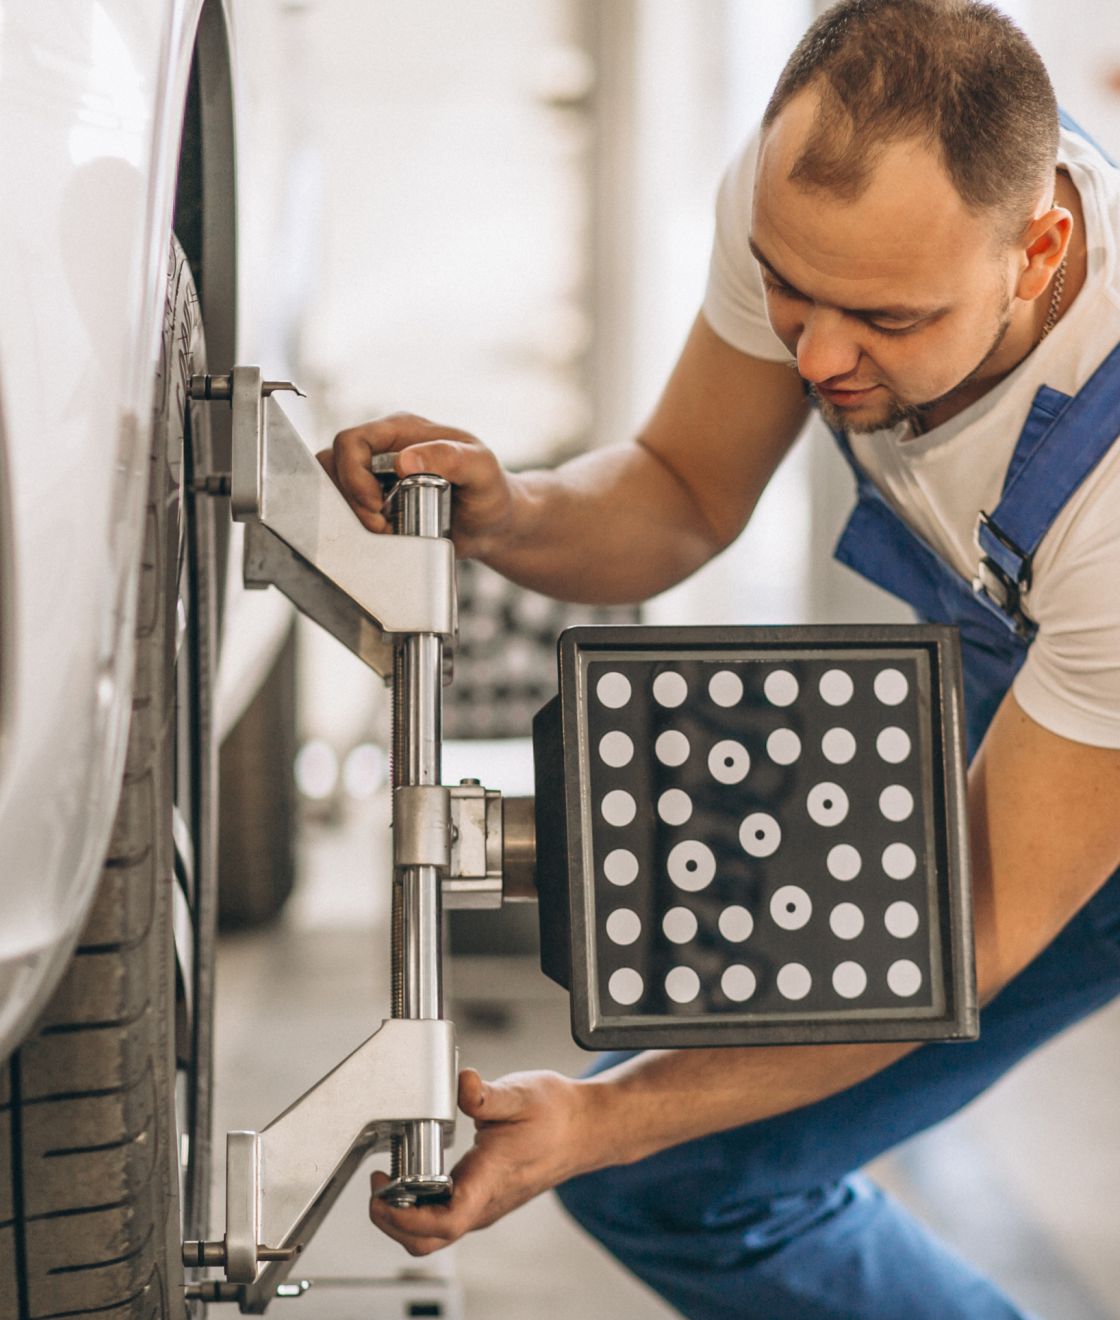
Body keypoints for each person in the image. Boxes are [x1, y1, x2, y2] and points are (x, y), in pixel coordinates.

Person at [320, 2, 1120, 1315]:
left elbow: (958, 937)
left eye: (881, 319)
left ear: (1038, 253)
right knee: (660, 1155)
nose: (812, 356)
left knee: (666, 1163)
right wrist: (511, 510)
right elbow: (685, 489)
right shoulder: (820, 208)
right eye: (787, 289)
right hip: (1030, 663)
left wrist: (602, 1117)